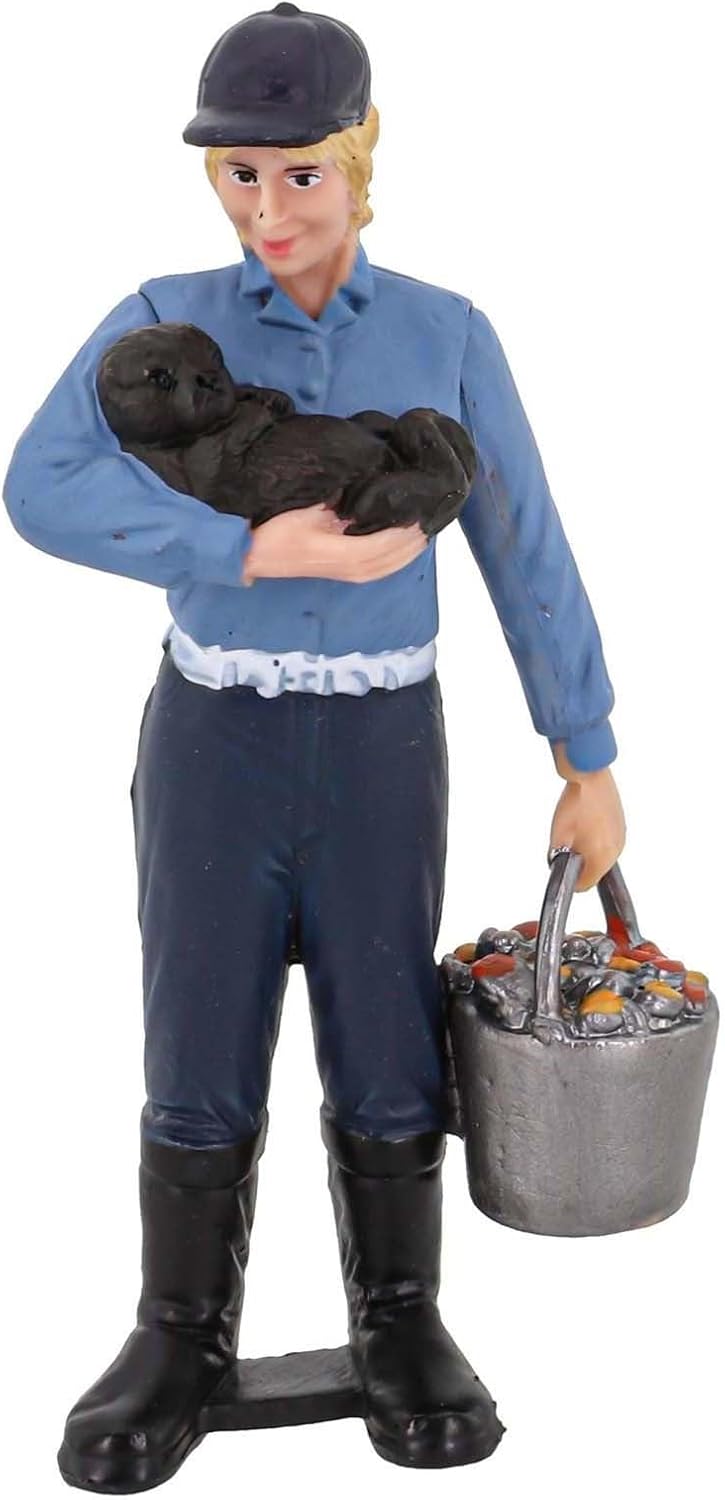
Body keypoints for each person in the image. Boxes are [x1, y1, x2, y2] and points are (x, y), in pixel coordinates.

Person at [3, 3, 625, 1488]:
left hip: (379, 744)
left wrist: (585, 749)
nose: (269, 210)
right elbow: (40, 486)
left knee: (385, 1025)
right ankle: (178, 1329)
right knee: (197, 1023)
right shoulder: (164, 321)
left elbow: (522, 541)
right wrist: (241, 551)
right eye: (239, 176)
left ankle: (399, 1317)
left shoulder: (443, 332)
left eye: (300, 174)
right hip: (215, 732)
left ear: (362, 158)